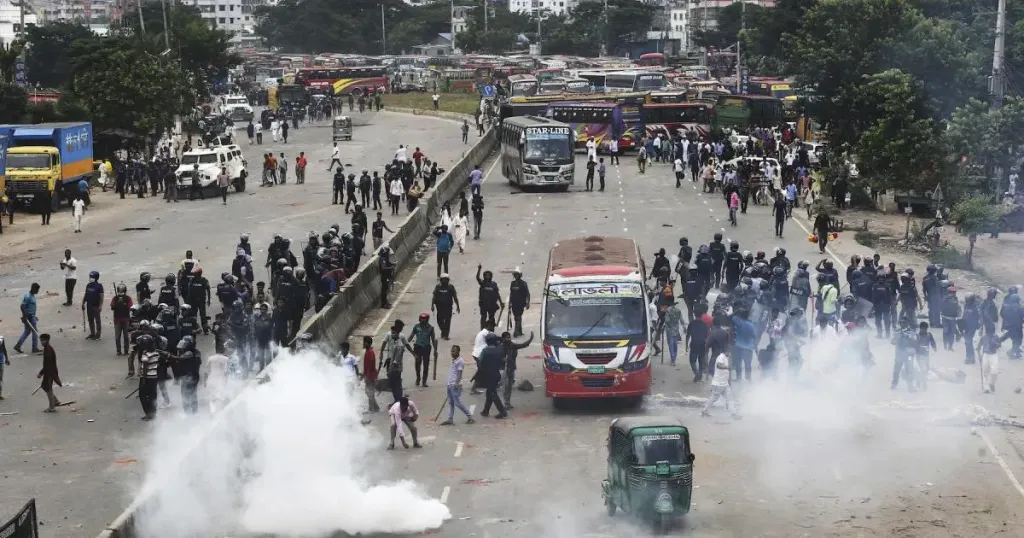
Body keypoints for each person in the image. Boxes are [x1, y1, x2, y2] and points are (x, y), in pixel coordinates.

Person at [380, 321, 415, 403]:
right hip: (392, 364)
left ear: (398, 333)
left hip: (395, 368)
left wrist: (389, 371)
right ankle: (397, 400)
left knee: (396, 384)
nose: (392, 334)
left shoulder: (399, 345)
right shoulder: (395, 342)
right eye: (392, 333)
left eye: (394, 333)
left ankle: (398, 400)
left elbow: (396, 361)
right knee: (395, 384)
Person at [474, 333, 508, 418]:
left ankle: (502, 411)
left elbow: (480, 362)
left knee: (492, 393)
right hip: (497, 374)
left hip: (489, 375)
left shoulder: (485, 351)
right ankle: (485, 411)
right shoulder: (499, 350)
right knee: (489, 392)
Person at [440, 345, 474, 425]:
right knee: (451, 402)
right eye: (451, 351)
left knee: (457, 403)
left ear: (458, 352)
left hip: (455, 385)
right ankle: (450, 419)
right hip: (450, 384)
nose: (452, 353)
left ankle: (469, 416)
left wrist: (456, 383)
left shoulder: (460, 361)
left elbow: (459, 373)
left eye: (454, 351)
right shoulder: (454, 360)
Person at [701, 353, 740, 419]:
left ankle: (733, 413)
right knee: (713, 398)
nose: (730, 352)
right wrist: (727, 367)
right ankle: (704, 411)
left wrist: (729, 383)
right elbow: (719, 365)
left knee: (730, 398)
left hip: (724, 383)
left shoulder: (726, 358)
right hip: (718, 383)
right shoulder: (721, 357)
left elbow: (728, 372)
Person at [500, 331, 533, 409]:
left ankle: (507, 402)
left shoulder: (512, 345)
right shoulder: (501, 347)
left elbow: (523, 345)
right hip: (504, 369)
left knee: (509, 386)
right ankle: (505, 403)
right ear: (503, 339)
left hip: (511, 368)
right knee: (506, 386)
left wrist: (530, 339)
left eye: (509, 337)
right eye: (507, 338)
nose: (508, 339)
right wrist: (502, 359)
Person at [408, 313, 438, 387]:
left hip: (426, 348)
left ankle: (424, 381)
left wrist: (435, 350)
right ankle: (418, 377)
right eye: (421, 318)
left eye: (424, 318)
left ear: (427, 319)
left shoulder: (430, 328)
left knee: (426, 364)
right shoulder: (416, 327)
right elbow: (411, 335)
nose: (423, 320)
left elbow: (433, 339)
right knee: (417, 363)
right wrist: (406, 342)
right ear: (419, 319)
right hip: (418, 347)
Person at [38, 333, 62, 412]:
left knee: (48, 388)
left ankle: (52, 407)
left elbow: (47, 364)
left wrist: (41, 373)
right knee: (45, 386)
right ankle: (55, 400)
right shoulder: (47, 348)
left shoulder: (48, 349)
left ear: (47, 340)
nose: (41, 342)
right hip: (49, 371)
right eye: (41, 340)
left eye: (43, 340)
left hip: (49, 373)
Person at [15, 283, 42, 354]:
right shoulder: (28, 297)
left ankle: (18, 345)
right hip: (29, 318)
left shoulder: (31, 296)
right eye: (37, 289)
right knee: (35, 332)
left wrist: (34, 315)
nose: (38, 291)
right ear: (33, 288)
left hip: (31, 316)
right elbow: (22, 306)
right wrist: (25, 316)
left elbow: (30, 307)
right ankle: (34, 348)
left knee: (27, 332)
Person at [110, 284, 134, 356]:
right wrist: (117, 303)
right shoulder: (115, 298)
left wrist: (124, 304)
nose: (121, 293)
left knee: (126, 336)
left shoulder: (128, 298)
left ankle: (126, 351)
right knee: (117, 336)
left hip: (126, 319)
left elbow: (131, 307)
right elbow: (112, 307)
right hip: (117, 320)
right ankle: (118, 351)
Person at [82, 270, 105, 340]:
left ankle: (98, 335)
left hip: (96, 306)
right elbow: (86, 294)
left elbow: (101, 297)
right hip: (89, 305)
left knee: (97, 321)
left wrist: (100, 306)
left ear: (96, 278)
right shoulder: (88, 285)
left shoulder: (99, 286)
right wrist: (83, 303)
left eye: (91, 277)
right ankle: (92, 333)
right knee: (90, 320)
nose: (90, 278)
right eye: (90, 277)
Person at [361, 336, 380, 412]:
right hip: (369, 375)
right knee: (369, 391)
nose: (363, 344)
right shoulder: (367, 351)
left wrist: (367, 377)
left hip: (370, 376)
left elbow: (371, 366)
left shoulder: (370, 352)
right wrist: (363, 375)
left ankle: (372, 408)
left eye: (364, 342)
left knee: (369, 392)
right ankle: (376, 407)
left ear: (368, 343)